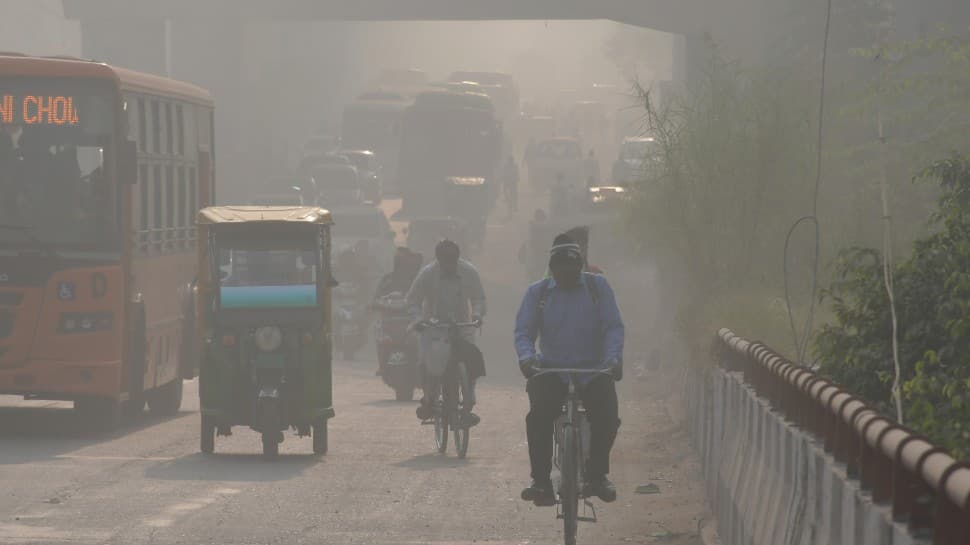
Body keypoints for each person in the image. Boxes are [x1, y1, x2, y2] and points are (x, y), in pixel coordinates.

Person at [514, 233, 624, 505]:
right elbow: (524, 332)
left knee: (607, 416)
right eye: (561, 273)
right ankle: (540, 482)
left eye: (573, 272)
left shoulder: (598, 288)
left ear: (581, 268)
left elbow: (613, 326)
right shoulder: (537, 293)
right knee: (538, 418)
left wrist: (613, 359)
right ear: (552, 271)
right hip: (552, 369)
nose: (567, 277)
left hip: (593, 370)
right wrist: (527, 359)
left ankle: (597, 476)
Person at [407, 239, 487, 426]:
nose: (449, 266)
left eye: (452, 261)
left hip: (462, 326)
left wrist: (476, 315)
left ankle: (468, 402)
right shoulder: (427, 273)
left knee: (472, 358)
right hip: (434, 328)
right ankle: (428, 398)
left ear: (458, 259)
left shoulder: (469, 272)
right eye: (445, 262)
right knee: (428, 363)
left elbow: (479, 298)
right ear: (438, 260)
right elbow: (412, 300)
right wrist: (418, 320)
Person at [373, 247, 424, 376]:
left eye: (403, 261)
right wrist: (374, 304)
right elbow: (377, 296)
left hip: (412, 320)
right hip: (389, 320)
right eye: (399, 261)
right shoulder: (387, 279)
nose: (401, 264)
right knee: (379, 332)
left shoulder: (418, 279)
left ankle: (424, 366)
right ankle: (382, 365)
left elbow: (428, 296)